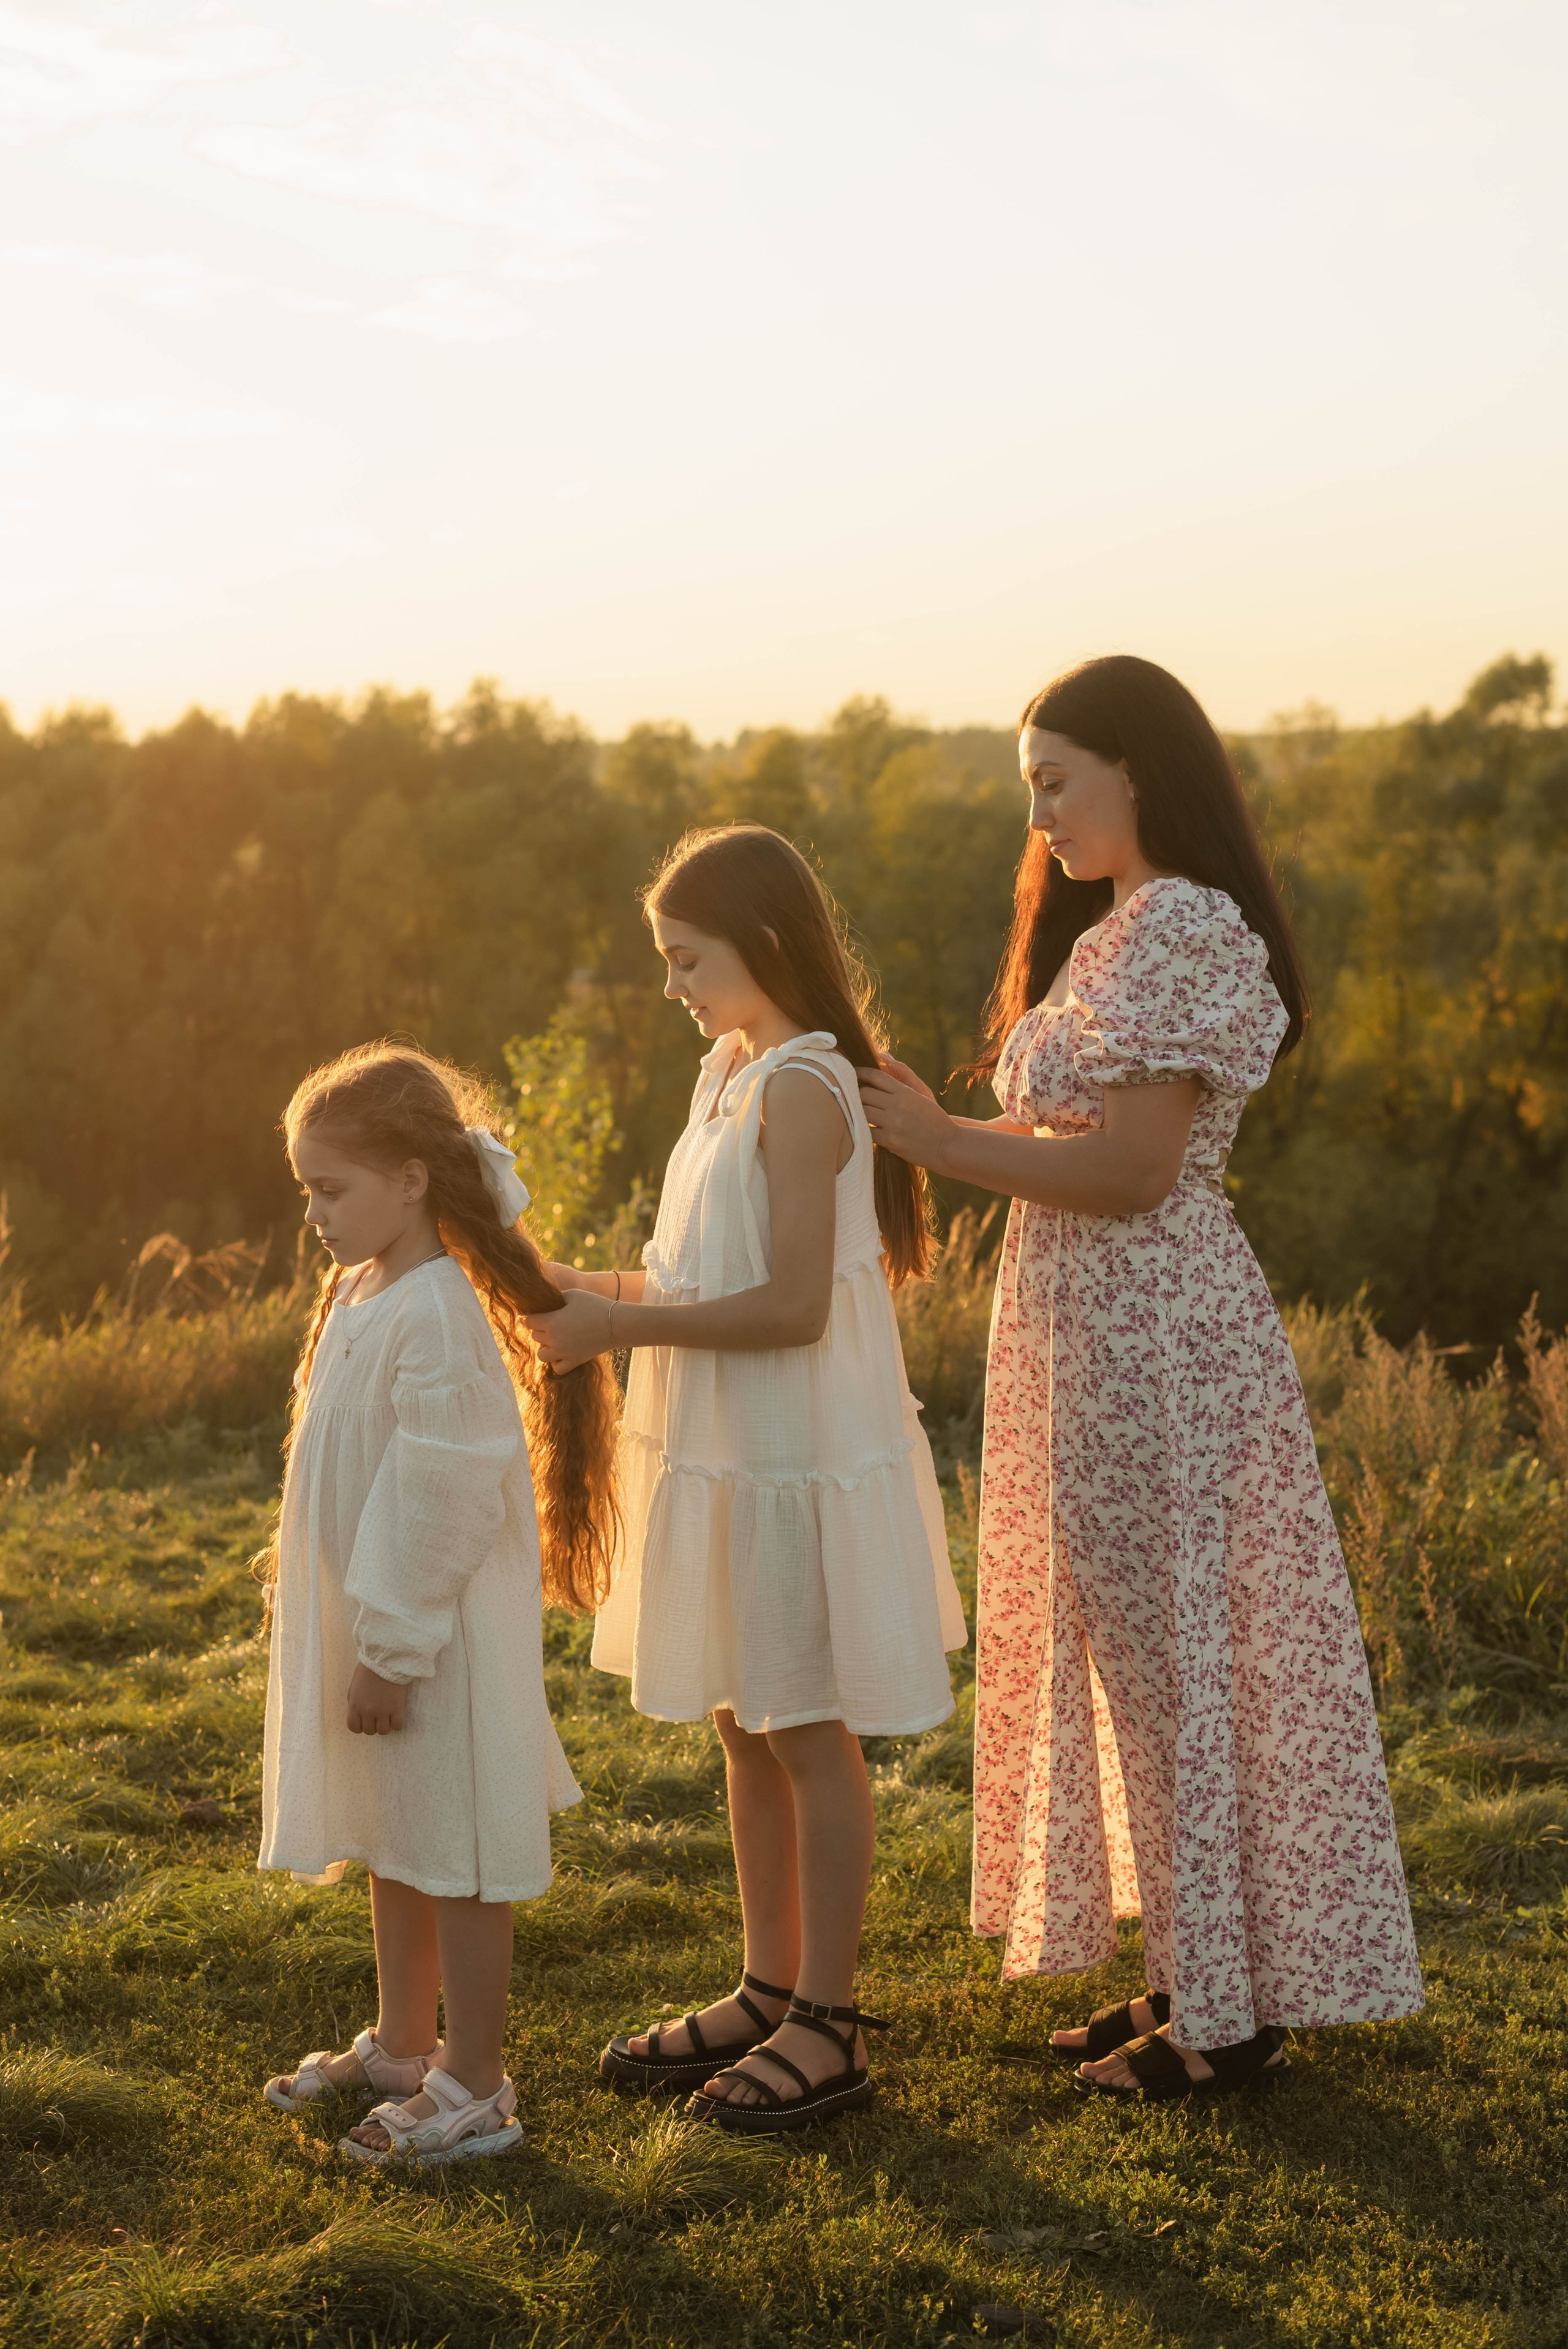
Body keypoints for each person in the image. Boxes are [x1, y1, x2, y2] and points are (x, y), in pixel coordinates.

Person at [859, 656, 1423, 2103]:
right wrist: (945, 1132)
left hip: (1154, 1335)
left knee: (1175, 1664)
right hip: (1096, 1333)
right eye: (1027, 786)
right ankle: (1194, 1976)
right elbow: (1075, 1149)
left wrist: (937, 1145)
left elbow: (1129, 1167)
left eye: (1056, 779)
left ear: (1137, 771)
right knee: (1139, 1660)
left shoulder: (1178, 927)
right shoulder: (1113, 931)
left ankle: (1225, 2024)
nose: (1037, 812)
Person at [529, 824, 967, 2133]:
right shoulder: (727, 1069)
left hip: (789, 1447)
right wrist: (570, 1287)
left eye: (685, 958)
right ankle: (766, 1981)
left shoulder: (801, 1087)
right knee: (739, 1710)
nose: (671, 986)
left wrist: (617, 1332)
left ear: (763, 945)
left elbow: (784, 1309)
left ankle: (827, 2021)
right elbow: (692, 1276)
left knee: (802, 1723)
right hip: (720, 1448)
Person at [258, 1043, 619, 2165]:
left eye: (333, 1189)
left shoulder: (441, 1310)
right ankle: (405, 2044)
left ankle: (476, 2082)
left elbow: (445, 1493)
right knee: (399, 1835)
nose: (314, 1213)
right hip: (382, 1632)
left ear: (412, 1180)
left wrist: (393, 1644)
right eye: (306, 1190)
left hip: (433, 1640)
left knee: (456, 1846)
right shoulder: (361, 1288)